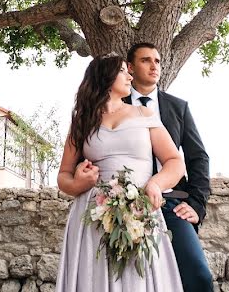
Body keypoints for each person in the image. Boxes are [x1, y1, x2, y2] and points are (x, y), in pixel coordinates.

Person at [56, 54, 186, 291]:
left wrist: (156, 184)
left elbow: (175, 162)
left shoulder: (144, 114)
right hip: (93, 216)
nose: (130, 75)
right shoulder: (82, 121)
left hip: (139, 210)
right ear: (105, 76)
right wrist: (78, 184)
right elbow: (63, 175)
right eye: (123, 71)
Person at [124, 42, 214, 292]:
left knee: (198, 276)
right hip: (125, 204)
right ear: (130, 67)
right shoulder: (113, 105)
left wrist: (196, 204)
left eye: (157, 60)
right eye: (145, 60)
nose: (154, 65)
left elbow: (198, 158)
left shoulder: (178, 107)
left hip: (172, 203)